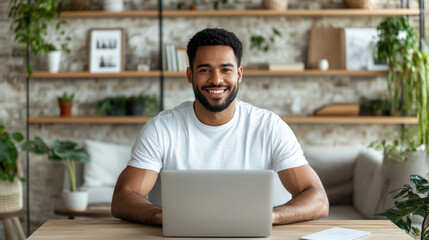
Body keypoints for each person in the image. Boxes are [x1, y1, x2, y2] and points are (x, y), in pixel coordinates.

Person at [111, 28, 329, 225]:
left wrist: (269, 216)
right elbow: (123, 197)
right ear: (190, 75)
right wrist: (164, 216)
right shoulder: (162, 128)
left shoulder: (270, 127)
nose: (216, 80)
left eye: (226, 69)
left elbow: (318, 199)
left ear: (239, 74)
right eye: (205, 70)